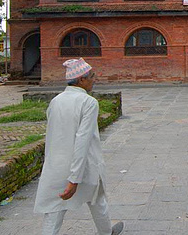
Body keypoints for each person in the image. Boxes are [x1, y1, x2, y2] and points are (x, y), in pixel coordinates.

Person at [34, 58, 124, 235]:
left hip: (57, 165)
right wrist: (74, 178)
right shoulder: (88, 103)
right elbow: (82, 140)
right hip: (84, 165)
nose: (94, 79)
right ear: (81, 80)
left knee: (55, 210)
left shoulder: (56, 101)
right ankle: (106, 232)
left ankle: (106, 231)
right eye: (91, 76)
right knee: (96, 197)